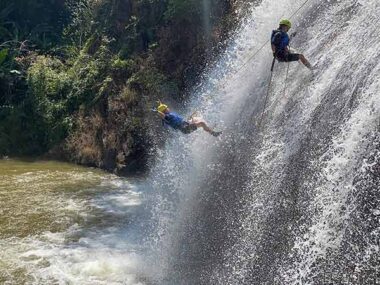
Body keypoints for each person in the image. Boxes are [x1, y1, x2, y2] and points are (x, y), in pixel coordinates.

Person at [155, 102, 222, 137]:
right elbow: (162, 115)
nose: (168, 108)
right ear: (165, 110)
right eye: (167, 108)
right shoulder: (167, 117)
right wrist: (157, 111)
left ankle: (209, 129)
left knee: (196, 118)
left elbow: (162, 111)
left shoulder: (168, 115)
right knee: (201, 123)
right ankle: (213, 133)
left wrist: (160, 104)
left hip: (185, 124)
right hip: (185, 129)